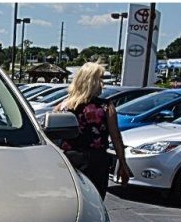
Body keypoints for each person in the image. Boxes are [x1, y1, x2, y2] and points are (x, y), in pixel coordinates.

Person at [54, 62, 130, 200]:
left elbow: (53, 134)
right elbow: (115, 137)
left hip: (68, 160)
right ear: (92, 81)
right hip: (96, 161)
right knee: (95, 201)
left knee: (70, 200)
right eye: (100, 79)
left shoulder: (62, 106)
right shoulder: (105, 107)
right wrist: (122, 163)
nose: (103, 83)